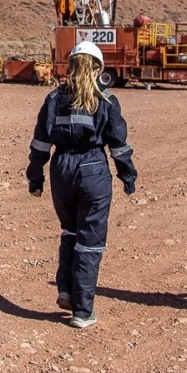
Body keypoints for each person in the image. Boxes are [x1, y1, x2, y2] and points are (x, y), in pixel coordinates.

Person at [26, 41, 138, 329]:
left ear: (71, 66)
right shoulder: (106, 100)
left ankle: (65, 289)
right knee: (90, 241)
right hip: (92, 170)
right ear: (99, 68)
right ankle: (83, 311)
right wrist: (128, 176)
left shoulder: (54, 99)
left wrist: (35, 177)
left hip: (61, 170)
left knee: (70, 231)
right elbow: (119, 145)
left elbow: (40, 142)